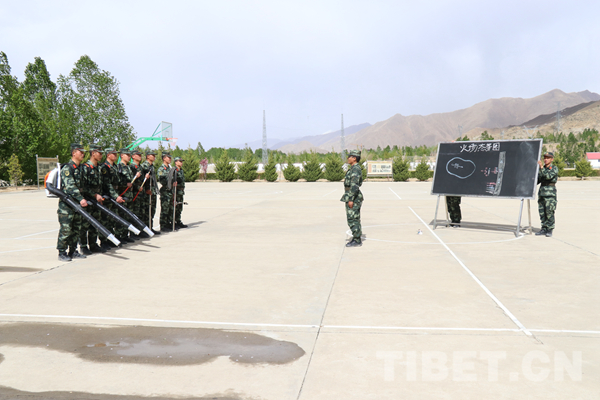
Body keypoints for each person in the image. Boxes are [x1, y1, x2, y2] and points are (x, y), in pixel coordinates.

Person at [56, 143, 88, 261]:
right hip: (67, 205)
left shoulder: (80, 168)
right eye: (81, 152)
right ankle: (62, 252)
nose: (83, 154)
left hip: (77, 205)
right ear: (74, 153)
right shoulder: (67, 168)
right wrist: (81, 199)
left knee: (76, 229)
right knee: (66, 229)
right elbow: (70, 187)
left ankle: (73, 251)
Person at [79, 145, 106, 254]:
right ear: (93, 153)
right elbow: (83, 186)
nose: (101, 155)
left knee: (95, 224)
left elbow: (100, 185)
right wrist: (94, 195)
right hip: (87, 200)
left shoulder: (99, 168)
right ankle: (83, 246)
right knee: (84, 225)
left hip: (97, 200)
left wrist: (100, 196)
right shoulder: (85, 167)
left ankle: (93, 244)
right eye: (99, 153)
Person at [99, 148, 125, 250]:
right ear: (108, 155)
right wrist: (115, 196)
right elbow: (107, 184)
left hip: (114, 195)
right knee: (105, 220)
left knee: (113, 220)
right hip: (107, 196)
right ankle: (104, 241)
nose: (115, 155)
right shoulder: (104, 167)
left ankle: (111, 239)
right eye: (113, 154)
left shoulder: (115, 166)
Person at [340, 149, 364, 247]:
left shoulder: (355, 169)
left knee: (353, 219)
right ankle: (356, 237)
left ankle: (357, 240)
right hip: (351, 195)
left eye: (349, 156)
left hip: (353, 197)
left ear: (354, 158)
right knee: (353, 219)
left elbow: (354, 185)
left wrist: (351, 199)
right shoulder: (353, 168)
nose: (348, 158)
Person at [115, 148, 136, 243]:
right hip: (123, 194)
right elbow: (117, 181)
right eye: (127, 155)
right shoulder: (119, 167)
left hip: (129, 195)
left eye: (129, 155)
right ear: (122, 155)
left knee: (128, 216)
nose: (129, 157)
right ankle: (118, 235)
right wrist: (125, 184)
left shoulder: (128, 167)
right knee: (121, 216)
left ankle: (125, 235)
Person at [536, 151, 558, 237]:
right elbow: (538, 180)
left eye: (548, 158)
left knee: (549, 212)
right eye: (545, 158)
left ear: (552, 159)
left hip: (550, 194)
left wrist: (541, 167)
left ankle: (549, 229)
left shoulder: (554, 168)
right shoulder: (542, 169)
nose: (545, 159)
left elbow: (548, 176)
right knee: (542, 212)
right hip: (542, 193)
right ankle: (543, 228)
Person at [140, 150, 160, 235]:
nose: (154, 157)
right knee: (146, 211)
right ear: (147, 156)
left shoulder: (152, 166)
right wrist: (146, 189)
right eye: (152, 155)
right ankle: (145, 229)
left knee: (152, 210)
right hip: (147, 192)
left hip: (153, 191)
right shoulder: (144, 166)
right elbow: (142, 180)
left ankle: (150, 227)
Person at [157, 152, 176, 232]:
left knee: (170, 209)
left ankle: (168, 223)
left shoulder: (170, 168)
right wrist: (170, 183)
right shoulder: (161, 169)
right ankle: (163, 225)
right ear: (164, 158)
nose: (170, 159)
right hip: (165, 191)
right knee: (165, 209)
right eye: (168, 157)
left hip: (170, 191)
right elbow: (162, 180)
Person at [174, 157, 188, 228]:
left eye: (181, 161)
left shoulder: (181, 170)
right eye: (180, 161)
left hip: (181, 192)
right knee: (175, 207)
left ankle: (178, 220)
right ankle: (174, 222)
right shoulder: (174, 170)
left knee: (180, 207)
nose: (181, 163)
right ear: (176, 162)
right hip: (176, 191)